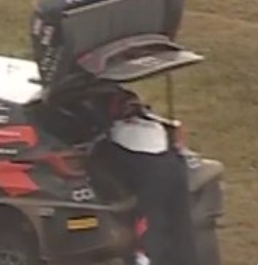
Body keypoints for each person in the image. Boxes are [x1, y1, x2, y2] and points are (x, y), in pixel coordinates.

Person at [84, 86, 199, 265]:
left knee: (152, 225)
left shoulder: (116, 134)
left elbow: (97, 162)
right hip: (174, 165)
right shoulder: (154, 125)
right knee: (181, 225)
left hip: (151, 173)